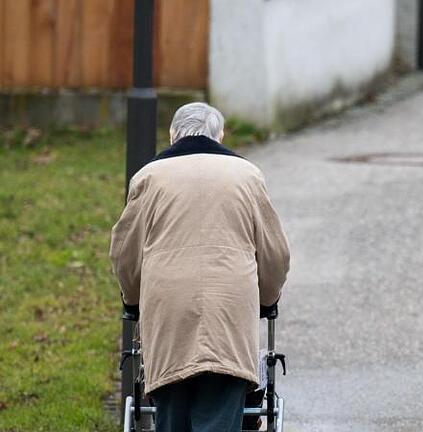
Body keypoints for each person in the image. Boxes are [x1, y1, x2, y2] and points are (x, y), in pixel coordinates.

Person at [109, 102, 290, 432]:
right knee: (222, 403)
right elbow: (275, 255)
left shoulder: (148, 177)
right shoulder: (247, 176)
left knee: (171, 406)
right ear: (220, 135)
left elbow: (125, 252)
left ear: (173, 135)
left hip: (168, 310)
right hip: (229, 310)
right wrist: (267, 298)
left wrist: (132, 298)